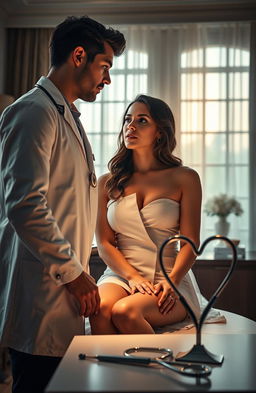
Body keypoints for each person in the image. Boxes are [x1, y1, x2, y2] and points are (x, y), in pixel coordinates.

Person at [0, 16, 125, 393]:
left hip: (61, 285)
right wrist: (73, 274)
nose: (106, 79)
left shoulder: (64, 113)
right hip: (44, 290)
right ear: (78, 55)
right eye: (104, 67)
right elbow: (25, 205)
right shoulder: (33, 111)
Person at [90, 94, 203, 335]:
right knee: (100, 310)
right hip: (121, 274)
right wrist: (132, 277)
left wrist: (171, 281)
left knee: (126, 312)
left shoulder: (185, 177)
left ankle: (155, 370)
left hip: (168, 277)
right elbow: (105, 243)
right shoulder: (107, 183)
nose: (130, 126)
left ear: (160, 131)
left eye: (142, 121)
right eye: (128, 120)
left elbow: (190, 243)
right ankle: (114, 373)